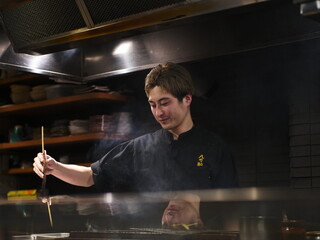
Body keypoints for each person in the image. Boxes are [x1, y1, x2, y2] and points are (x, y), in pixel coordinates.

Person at [33, 62, 238, 193]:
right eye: (153, 104)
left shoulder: (214, 147)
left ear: (187, 99)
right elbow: (90, 177)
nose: (158, 112)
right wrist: (55, 167)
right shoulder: (140, 147)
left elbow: (232, 209)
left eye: (165, 103)